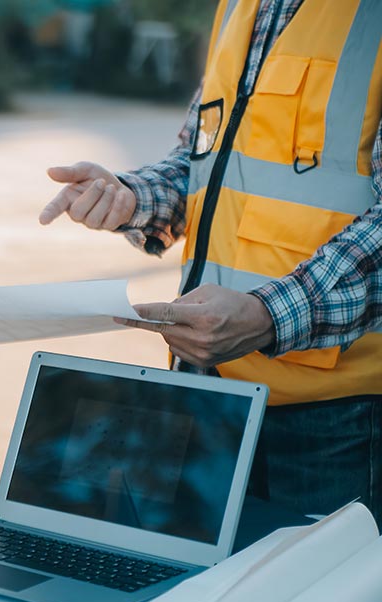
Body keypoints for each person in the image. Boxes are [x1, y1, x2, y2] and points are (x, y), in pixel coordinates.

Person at [40, 0, 382, 521]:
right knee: (200, 597)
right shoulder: (243, 7)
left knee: (309, 599)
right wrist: (132, 197)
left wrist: (268, 315)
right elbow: (205, 158)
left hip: (336, 423)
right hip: (206, 391)